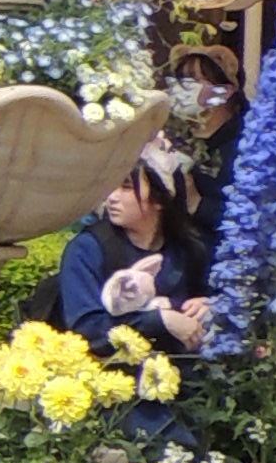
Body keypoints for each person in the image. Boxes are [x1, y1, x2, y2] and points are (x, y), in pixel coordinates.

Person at [59, 144, 215, 384]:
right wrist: (161, 321)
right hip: (112, 384)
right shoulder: (87, 249)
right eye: (111, 186)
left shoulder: (188, 250)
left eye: (126, 187)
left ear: (160, 198)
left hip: (184, 383)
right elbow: (86, 329)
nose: (112, 197)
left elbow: (212, 300)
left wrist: (209, 307)